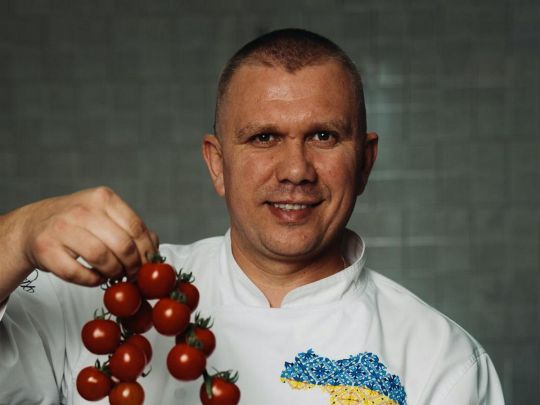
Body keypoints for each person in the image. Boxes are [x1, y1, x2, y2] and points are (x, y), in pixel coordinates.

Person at [0, 29, 504, 405]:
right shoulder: (106, 303)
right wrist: (16, 236)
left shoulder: (443, 362)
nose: (295, 170)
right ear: (217, 164)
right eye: (264, 138)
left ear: (365, 161)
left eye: (324, 136)